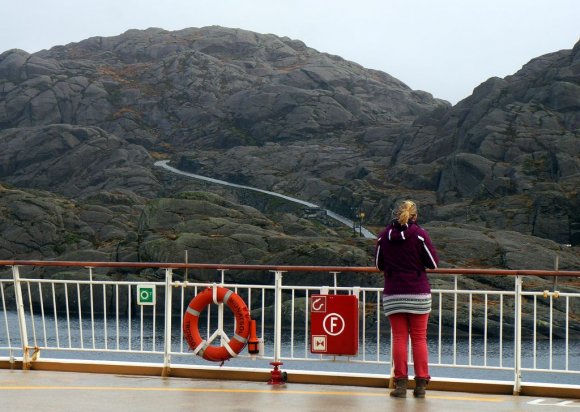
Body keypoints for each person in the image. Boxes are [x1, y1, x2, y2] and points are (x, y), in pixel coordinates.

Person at [374, 200, 439, 398]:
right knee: (419, 338)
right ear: (415, 216)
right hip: (418, 293)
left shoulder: (384, 236)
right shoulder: (420, 235)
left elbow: (379, 264)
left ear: (396, 214)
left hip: (394, 293)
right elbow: (433, 264)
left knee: (399, 338)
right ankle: (420, 385)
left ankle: (400, 385)